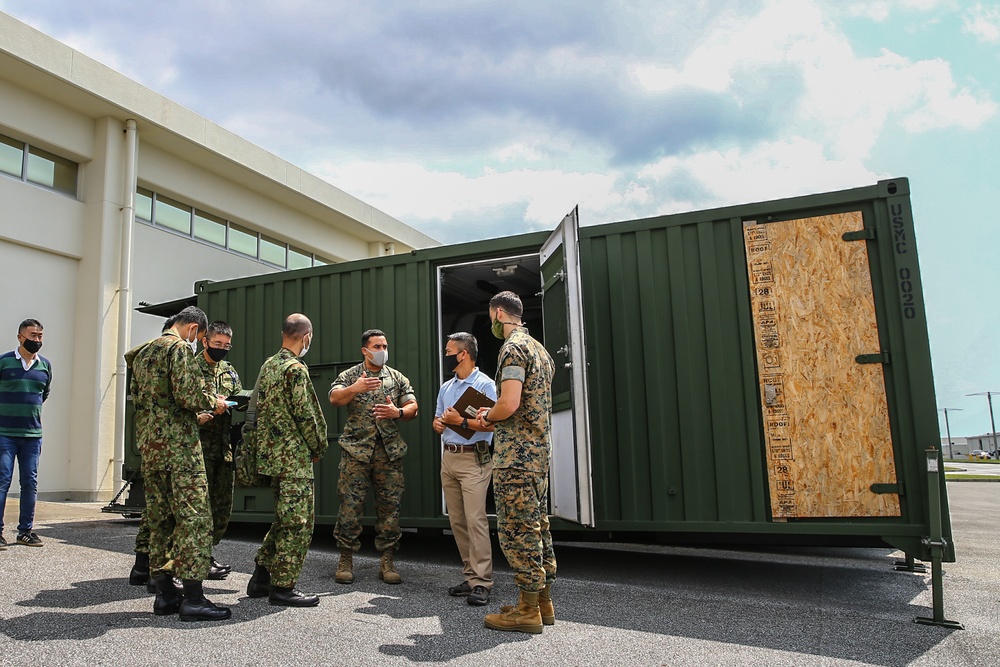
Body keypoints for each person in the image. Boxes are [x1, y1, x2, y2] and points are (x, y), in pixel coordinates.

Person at [129, 306, 231, 621]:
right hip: (179, 449)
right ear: (191, 329)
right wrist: (214, 401)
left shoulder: (143, 353)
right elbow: (189, 395)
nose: (196, 341)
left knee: (160, 521)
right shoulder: (177, 348)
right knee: (195, 520)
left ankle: (165, 594)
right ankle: (194, 598)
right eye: (198, 336)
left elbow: (139, 395)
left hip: (152, 448)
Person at [476, 291, 557, 635]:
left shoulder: (512, 348)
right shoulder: (540, 349)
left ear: (498, 313)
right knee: (538, 527)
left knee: (517, 532)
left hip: (516, 458)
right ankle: (542, 604)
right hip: (537, 456)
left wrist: (486, 417)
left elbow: (508, 404)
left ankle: (526, 611)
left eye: (491, 316)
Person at [245, 313, 329, 607]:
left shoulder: (269, 365)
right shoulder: (295, 369)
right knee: (298, 523)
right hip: (293, 460)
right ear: (306, 337)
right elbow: (307, 414)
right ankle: (283, 588)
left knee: (284, 518)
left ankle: (261, 578)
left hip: (272, 458)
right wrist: (318, 446)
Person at [329, 328, 417, 585]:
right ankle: (345, 558)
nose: (382, 351)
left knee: (390, 508)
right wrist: (355, 388)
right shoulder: (350, 376)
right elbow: (334, 398)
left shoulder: (397, 378)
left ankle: (387, 561)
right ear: (365, 350)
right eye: (377, 346)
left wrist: (397, 412)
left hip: (388, 454)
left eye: (385, 346)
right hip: (356, 452)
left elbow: (413, 407)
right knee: (349, 507)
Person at [433, 332, 496, 606]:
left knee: (476, 520)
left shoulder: (486, 386)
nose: (445, 355)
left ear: (463, 354)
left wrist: (461, 422)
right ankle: (470, 576)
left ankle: (483, 582)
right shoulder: (447, 387)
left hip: (474, 459)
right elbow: (438, 419)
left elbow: (493, 425)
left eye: (449, 351)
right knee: (457, 521)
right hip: (449, 459)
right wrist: (438, 424)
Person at [195, 321, 245, 578]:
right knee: (197, 509)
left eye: (226, 346)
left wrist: (237, 402)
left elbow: (238, 395)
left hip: (223, 449)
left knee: (220, 508)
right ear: (205, 341)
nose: (222, 349)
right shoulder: (191, 368)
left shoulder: (228, 370)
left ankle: (207, 554)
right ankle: (191, 562)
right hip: (197, 450)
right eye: (217, 344)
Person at [0, 319, 52, 549]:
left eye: (40, 336)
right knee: (2, 481)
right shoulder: (4, 362)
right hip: (5, 434)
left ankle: (25, 532)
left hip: (32, 435)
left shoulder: (45, 366)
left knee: (29, 483)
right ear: (20, 337)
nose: (37, 340)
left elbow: (44, 394)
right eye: (33, 336)